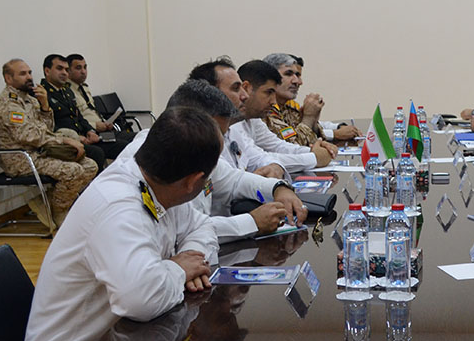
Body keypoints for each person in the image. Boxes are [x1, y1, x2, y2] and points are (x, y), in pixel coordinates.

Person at [21, 106, 222, 341]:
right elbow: (141, 299)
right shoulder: (119, 208)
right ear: (194, 181)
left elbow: (201, 225)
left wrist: (191, 257)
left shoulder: (158, 184)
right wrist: (179, 270)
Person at [119, 80, 306, 240]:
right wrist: (252, 222)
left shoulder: (194, 148)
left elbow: (234, 181)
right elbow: (184, 231)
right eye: (214, 133)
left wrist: (278, 188)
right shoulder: (151, 161)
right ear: (185, 122)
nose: (219, 144)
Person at [0, 58, 98, 230]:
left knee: (90, 166)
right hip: (20, 159)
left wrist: (45, 106)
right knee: (73, 171)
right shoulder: (8, 104)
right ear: (8, 78)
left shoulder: (30, 99)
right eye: (22, 74)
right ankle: (59, 212)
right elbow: (28, 135)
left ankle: (46, 202)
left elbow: (47, 128)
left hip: (39, 152)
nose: (29, 77)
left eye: (29, 72)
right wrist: (63, 140)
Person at [188, 57, 289, 179]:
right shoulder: (195, 137)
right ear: (211, 94)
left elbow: (259, 157)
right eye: (236, 89)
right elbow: (231, 182)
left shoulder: (233, 128)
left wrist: (275, 166)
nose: (245, 96)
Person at [233, 59, 334, 172]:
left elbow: (277, 146)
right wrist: (315, 157)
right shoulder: (233, 121)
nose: (273, 101)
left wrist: (314, 151)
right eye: (268, 92)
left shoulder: (253, 118)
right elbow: (257, 160)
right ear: (246, 88)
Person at [40, 53, 110, 171]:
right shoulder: (41, 94)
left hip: (82, 136)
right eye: (59, 68)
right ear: (47, 71)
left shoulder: (67, 91)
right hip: (64, 140)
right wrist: (77, 137)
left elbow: (79, 116)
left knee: (119, 144)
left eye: (66, 70)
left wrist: (90, 131)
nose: (64, 73)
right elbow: (48, 126)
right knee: (97, 152)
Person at [66, 53, 134, 148]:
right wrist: (95, 126)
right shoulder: (67, 92)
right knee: (126, 146)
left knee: (139, 137)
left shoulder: (84, 88)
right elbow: (73, 120)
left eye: (85, 67)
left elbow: (92, 112)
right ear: (68, 71)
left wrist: (105, 123)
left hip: (103, 131)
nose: (83, 71)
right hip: (90, 134)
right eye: (78, 68)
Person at [288, 55, 361, 141]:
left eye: (298, 76)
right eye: (289, 75)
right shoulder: (274, 109)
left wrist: (339, 127)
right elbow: (290, 138)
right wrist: (334, 134)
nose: (299, 82)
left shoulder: (290, 105)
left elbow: (312, 125)